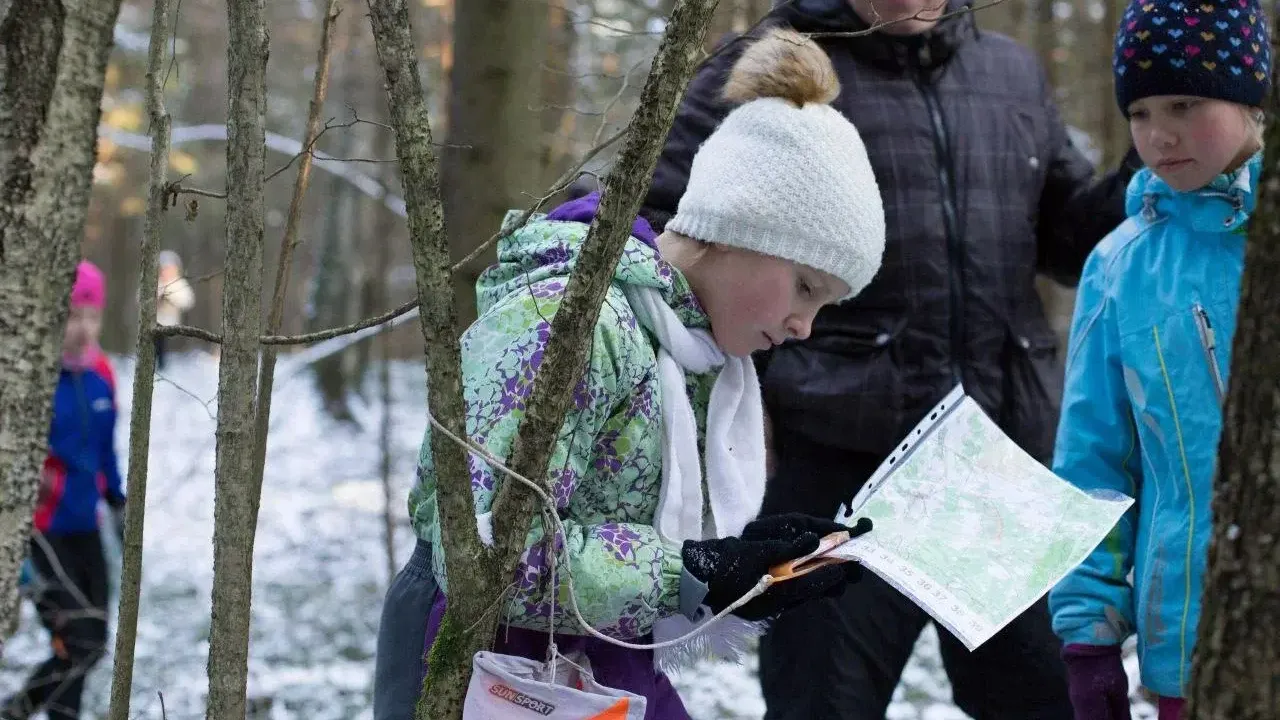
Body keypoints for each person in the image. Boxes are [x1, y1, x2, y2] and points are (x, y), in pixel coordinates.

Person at [641, 1, 1141, 717]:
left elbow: (1066, 240)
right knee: (825, 705)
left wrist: (1146, 166)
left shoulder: (1010, 72)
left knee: (1047, 700)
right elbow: (670, 238)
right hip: (837, 471)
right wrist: (733, 402)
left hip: (996, 471)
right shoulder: (770, 62)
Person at [374, 29, 885, 719]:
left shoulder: (690, 351)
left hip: (586, 660)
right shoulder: (566, 319)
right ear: (741, 230)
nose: (805, 326)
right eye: (806, 287)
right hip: (474, 663)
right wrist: (689, 572)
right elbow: (487, 554)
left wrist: (749, 570)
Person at [1049, 2, 1269, 719]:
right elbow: (1094, 463)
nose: (1158, 133)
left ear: (1249, 95)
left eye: (1184, 102)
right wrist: (1087, 638)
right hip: (1189, 649)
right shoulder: (1118, 270)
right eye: (1139, 111)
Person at [4, 261, 126, 720]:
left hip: (87, 529)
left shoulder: (102, 374)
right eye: (73, 315)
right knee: (77, 641)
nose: (83, 328)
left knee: (91, 644)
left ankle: (19, 710)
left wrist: (117, 498)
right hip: (42, 534)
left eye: (92, 316)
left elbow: (105, 448)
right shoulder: (32, 381)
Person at [155, 249, 194, 370]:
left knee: (166, 343)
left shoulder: (179, 284)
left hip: (172, 322)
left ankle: (166, 364)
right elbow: (140, 298)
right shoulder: (156, 283)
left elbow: (188, 301)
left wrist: (171, 297)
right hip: (156, 321)